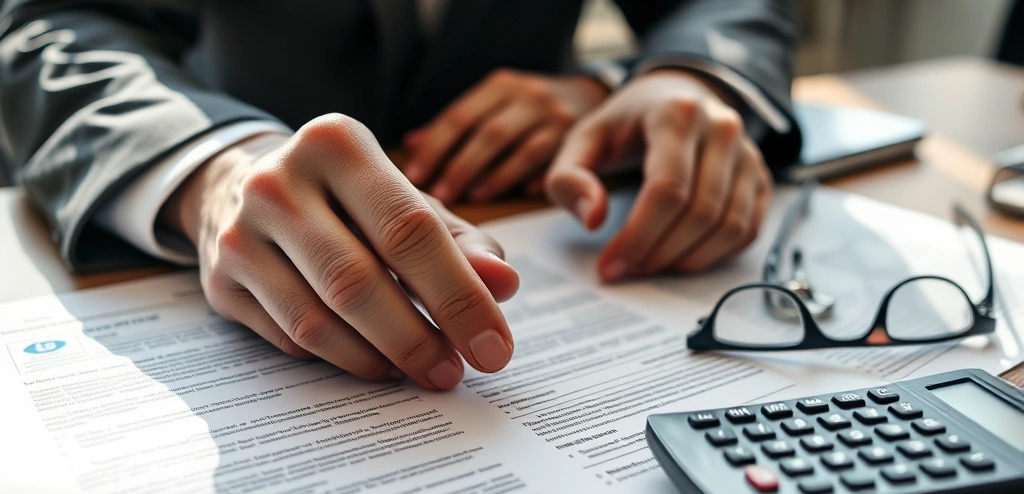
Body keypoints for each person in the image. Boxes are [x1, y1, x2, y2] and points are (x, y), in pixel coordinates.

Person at [0, 0, 801, 391]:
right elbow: (53, 25)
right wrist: (214, 169)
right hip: (249, 222)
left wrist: (668, 77)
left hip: (527, 197)